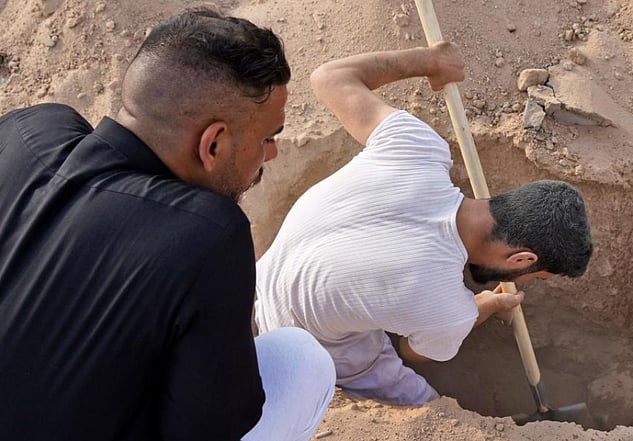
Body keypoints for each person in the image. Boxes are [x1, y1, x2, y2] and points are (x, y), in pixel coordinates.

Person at [0, 9, 334, 441]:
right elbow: (211, 428)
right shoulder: (209, 233)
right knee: (301, 361)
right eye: (268, 138)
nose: (270, 155)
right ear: (213, 143)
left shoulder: (20, 130)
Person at [254, 42, 593, 406]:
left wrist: (427, 61)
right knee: (428, 408)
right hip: (301, 344)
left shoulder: (415, 146)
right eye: (535, 276)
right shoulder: (448, 311)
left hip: (249, 286)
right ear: (522, 259)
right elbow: (410, 351)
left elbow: (329, 77)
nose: (526, 282)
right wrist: (475, 311)